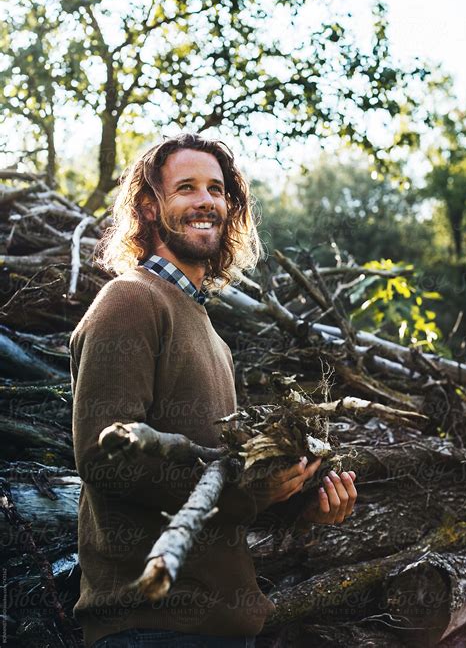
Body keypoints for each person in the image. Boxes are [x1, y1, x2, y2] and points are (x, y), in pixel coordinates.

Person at [70, 133, 357, 648]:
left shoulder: (208, 331)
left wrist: (297, 501)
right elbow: (104, 457)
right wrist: (246, 494)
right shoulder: (132, 300)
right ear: (149, 208)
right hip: (151, 626)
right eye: (186, 188)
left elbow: (223, 483)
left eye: (217, 189)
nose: (207, 201)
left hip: (219, 624)